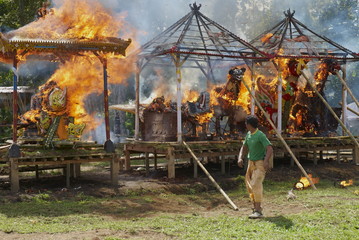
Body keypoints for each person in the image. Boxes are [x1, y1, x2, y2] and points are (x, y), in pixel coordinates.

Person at [238, 115, 273, 219]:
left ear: (249, 124)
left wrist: (266, 161)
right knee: (249, 185)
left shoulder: (260, 135)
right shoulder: (248, 134)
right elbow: (244, 147)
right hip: (251, 163)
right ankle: (255, 208)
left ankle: (258, 210)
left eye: (246, 123)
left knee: (256, 184)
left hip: (260, 163)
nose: (245, 125)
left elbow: (269, 148)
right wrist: (240, 157)